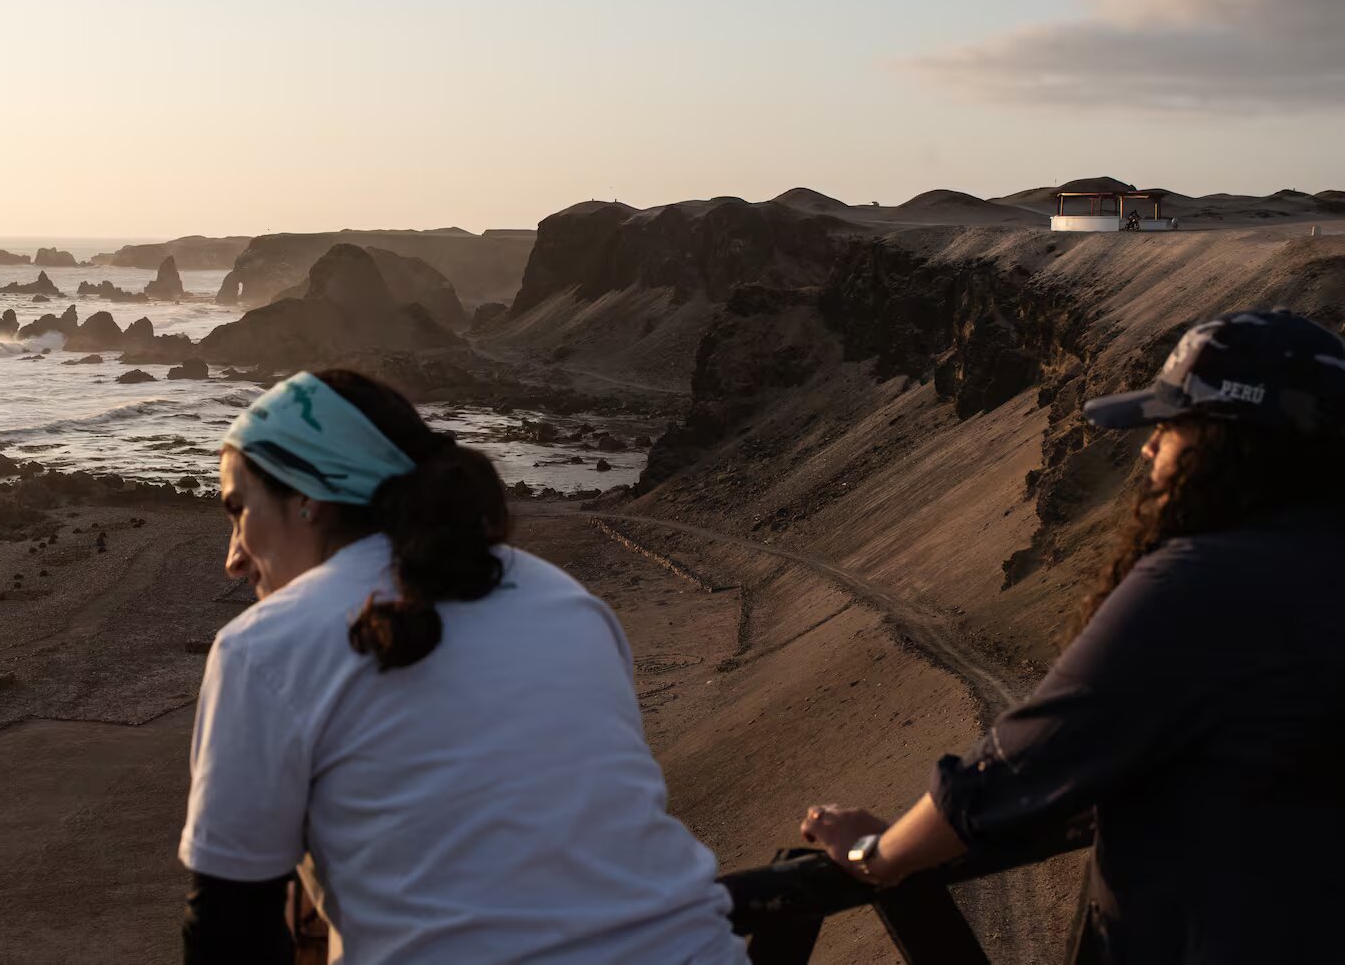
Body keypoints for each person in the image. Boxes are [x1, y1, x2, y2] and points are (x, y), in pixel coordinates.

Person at [799, 309, 1345, 963]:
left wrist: (874, 854)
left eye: (1170, 426)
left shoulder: (1198, 588)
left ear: (1228, 441)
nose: (1148, 448)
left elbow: (1012, 771)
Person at [180, 369, 746, 964]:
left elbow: (227, 933)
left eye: (238, 510)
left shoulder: (265, 646)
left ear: (308, 497)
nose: (234, 559)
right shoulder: (566, 600)